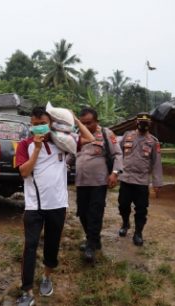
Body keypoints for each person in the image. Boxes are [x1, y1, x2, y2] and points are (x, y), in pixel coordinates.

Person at [15, 106, 94, 306]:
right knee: (30, 247)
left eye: (43, 124)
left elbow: (90, 139)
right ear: (30, 126)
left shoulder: (62, 142)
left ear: (51, 123)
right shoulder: (24, 145)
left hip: (57, 205)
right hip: (34, 205)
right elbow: (24, 172)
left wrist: (75, 119)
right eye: (35, 125)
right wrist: (37, 149)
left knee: (52, 245)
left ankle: (47, 277)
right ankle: (26, 290)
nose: (39, 128)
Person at [75, 107, 123, 263]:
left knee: (95, 213)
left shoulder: (106, 134)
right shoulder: (77, 136)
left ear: (97, 121)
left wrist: (114, 173)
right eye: (83, 123)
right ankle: (94, 240)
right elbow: (70, 155)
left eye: (89, 123)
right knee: (82, 212)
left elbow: (117, 155)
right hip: (81, 181)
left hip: (98, 182)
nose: (86, 126)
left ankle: (90, 246)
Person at [117, 112, 163, 246]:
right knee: (123, 205)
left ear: (149, 124)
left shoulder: (153, 142)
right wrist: (114, 172)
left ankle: (138, 233)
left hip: (142, 181)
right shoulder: (127, 136)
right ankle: (125, 223)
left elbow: (156, 162)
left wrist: (157, 182)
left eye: (146, 123)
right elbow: (118, 154)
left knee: (141, 209)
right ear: (136, 123)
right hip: (125, 178)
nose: (143, 125)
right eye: (141, 123)